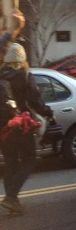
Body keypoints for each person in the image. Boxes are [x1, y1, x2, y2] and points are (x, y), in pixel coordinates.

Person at [0, 43, 54, 215]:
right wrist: (48, 113)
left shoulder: (1, 76)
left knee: (10, 162)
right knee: (29, 159)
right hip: (21, 125)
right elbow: (36, 102)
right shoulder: (25, 76)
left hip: (3, 126)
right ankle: (11, 197)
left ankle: (13, 202)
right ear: (22, 59)